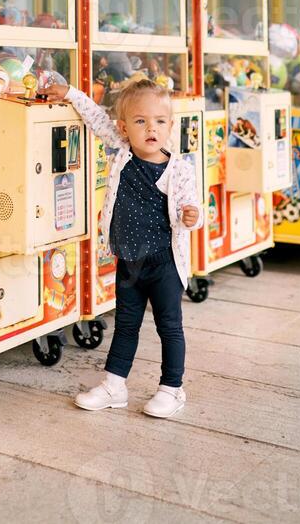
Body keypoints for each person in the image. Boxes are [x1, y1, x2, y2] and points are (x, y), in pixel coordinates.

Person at [45, 77, 203, 418]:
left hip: (165, 263)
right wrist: (70, 93)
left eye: (160, 121)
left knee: (169, 326)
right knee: (126, 324)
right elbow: (95, 117)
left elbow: (190, 207)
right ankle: (114, 386)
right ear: (124, 127)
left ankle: (171, 389)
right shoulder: (120, 151)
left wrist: (192, 215)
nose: (151, 128)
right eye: (141, 121)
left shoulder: (179, 170)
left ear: (170, 126)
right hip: (129, 260)